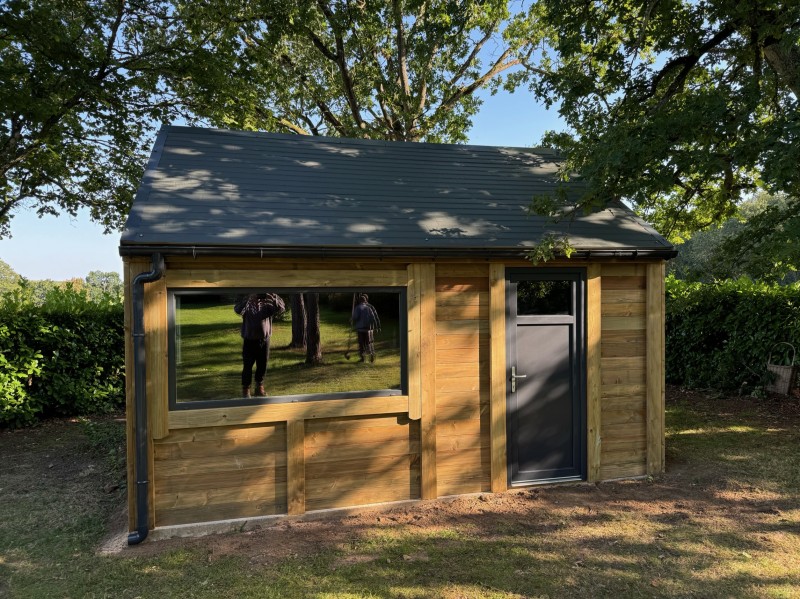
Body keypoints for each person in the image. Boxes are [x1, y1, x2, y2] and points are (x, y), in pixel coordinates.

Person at [234, 292, 285, 397]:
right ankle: (246, 390)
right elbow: (238, 310)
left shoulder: (268, 300)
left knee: (262, 365)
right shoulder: (247, 300)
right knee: (247, 366)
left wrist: (273, 297)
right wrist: (248, 297)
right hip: (249, 339)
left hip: (264, 339)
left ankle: (259, 387)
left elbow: (281, 308)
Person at [351, 293, 380, 362]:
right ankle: (372, 355)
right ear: (365, 300)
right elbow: (373, 318)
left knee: (361, 344)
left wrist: (352, 319)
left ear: (360, 301)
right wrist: (375, 327)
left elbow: (355, 317)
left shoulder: (358, 308)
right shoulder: (369, 308)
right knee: (369, 343)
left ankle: (362, 358)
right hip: (368, 329)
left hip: (360, 329)